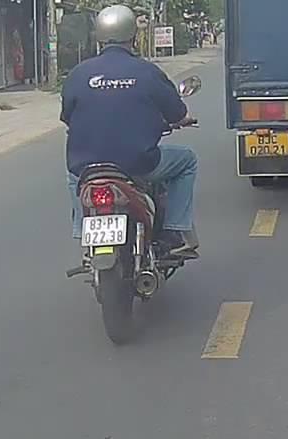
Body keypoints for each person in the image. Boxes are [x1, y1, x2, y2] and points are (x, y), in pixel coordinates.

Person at [61, 3, 199, 257]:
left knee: (74, 177)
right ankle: (175, 229)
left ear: (99, 36)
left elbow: (67, 116)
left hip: (86, 165)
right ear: (133, 36)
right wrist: (182, 120)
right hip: (138, 163)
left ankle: (82, 229)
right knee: (187, 161)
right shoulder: (147, 71)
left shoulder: (78, 74)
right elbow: (177, 114)